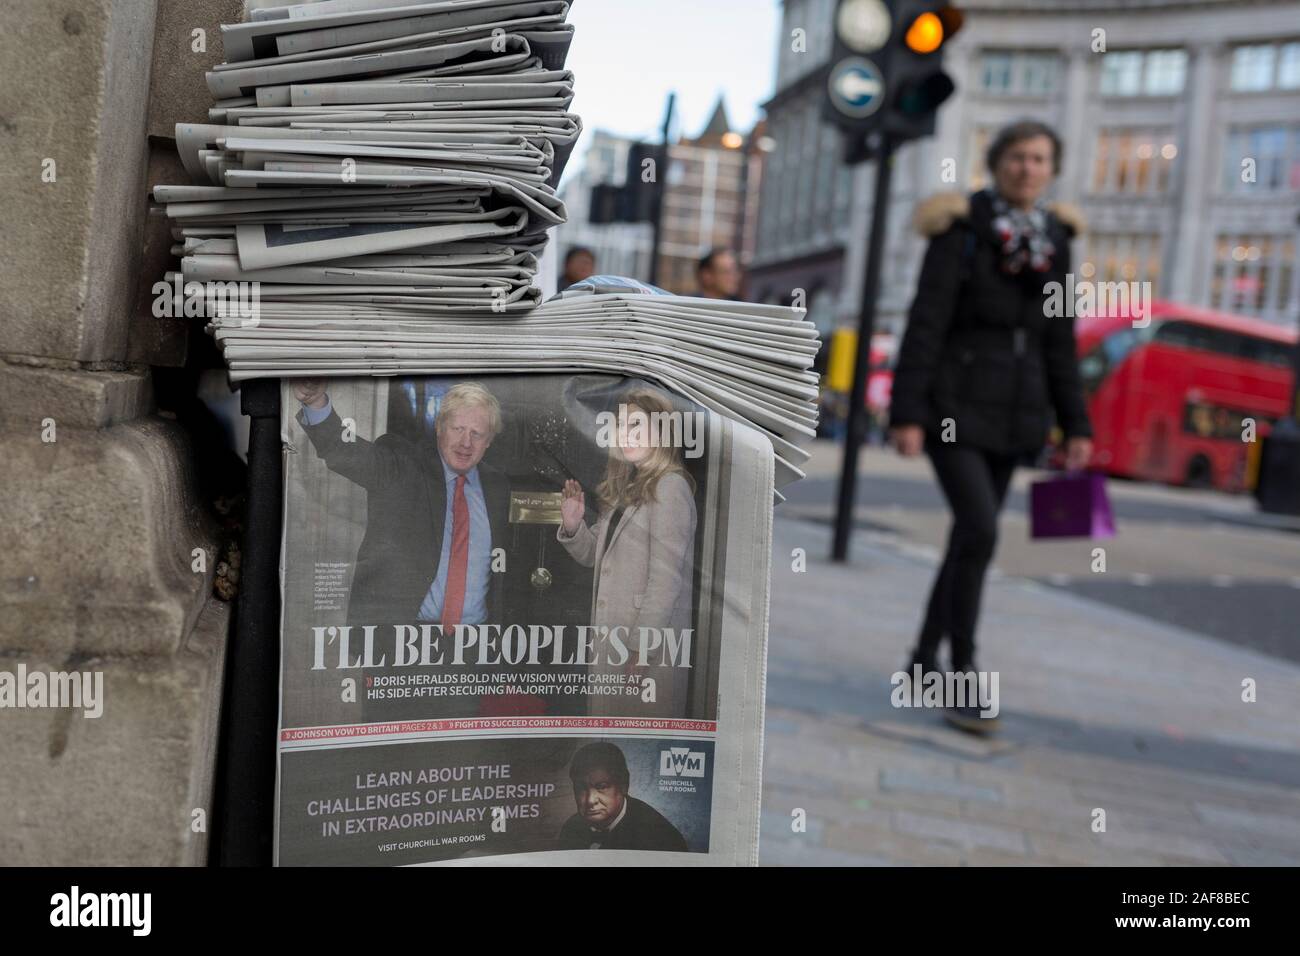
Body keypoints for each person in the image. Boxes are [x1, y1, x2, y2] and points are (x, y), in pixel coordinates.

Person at [888, 119, 1093, 734]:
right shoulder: (962, 232)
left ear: (1050, 170)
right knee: (978, 528)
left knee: (969, 539)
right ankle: (962, 669)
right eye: (1016, 157)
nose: (1026, 168)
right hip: (956, 407)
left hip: (1021, 413)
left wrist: (1075, 424)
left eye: (1038, 159)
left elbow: (1061, 339)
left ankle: (923, 660)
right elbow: (926, 323)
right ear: (996, 163)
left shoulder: (1056, 240)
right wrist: (906, 413)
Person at [292, 379, 512, 627]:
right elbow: (347, 454)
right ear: (440, 426)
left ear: (489, 441)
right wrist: (316, 403)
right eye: (458, 428)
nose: (465, 442)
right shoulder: (403, 468)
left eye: (476, 434)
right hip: (402, 641)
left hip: (475, 644)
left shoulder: (497, 487)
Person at [556, 387, 697, 716]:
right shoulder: (630, 486)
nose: (625, 434)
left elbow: (665, 580)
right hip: (616, 644)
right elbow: (597, 558)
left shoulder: (669, 486)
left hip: (639, 652)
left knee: (632, 745)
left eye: (637, 425)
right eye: (621, 425)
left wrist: (642, 649)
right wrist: (574, 526)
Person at [555, 742, 688, 852]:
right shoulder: (571, 828)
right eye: (581, 788)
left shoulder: (662, 837)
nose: (590, 800)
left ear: (624, 785)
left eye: (601, 786)